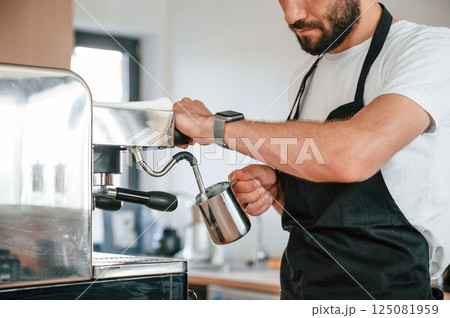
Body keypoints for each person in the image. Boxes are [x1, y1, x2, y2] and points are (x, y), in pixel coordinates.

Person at [173, 0, 450, 299]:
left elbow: (352, 155)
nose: (292, 15)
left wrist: (215, 128)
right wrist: (281, 191)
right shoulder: (305, 76)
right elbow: (330, 197)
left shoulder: (427, 50)